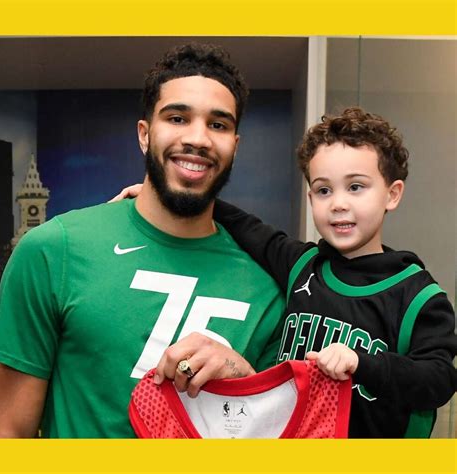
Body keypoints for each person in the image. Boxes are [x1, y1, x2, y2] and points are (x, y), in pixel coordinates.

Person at [0, 43, 285, 438]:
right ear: (145, 135)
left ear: (235, 146)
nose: (198, 138)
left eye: (218, 124)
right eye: (177, 117)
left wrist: (246, 381)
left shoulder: (267, 288)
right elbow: (9, 435)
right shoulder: (52, 251)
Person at [116, 107, 457, 437]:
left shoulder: (419, 296)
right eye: (324, 190)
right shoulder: (303, 265)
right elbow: (247, 227)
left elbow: (439, 380)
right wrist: (161, 197)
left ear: (392, 195)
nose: (338, 203)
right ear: (311, 199)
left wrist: (362, 364)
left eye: (355, 187)